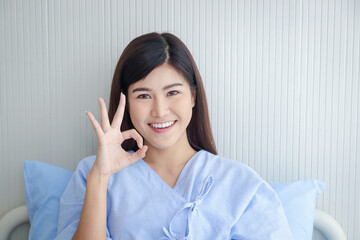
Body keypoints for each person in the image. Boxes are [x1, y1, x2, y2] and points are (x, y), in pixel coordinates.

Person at [56, 32, 293, 240]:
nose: (160, 110)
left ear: (192, 96)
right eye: (143, 96)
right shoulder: (91, 176)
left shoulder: (241, 185)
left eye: (172, 92)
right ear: (125, 103)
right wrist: (100, 178)